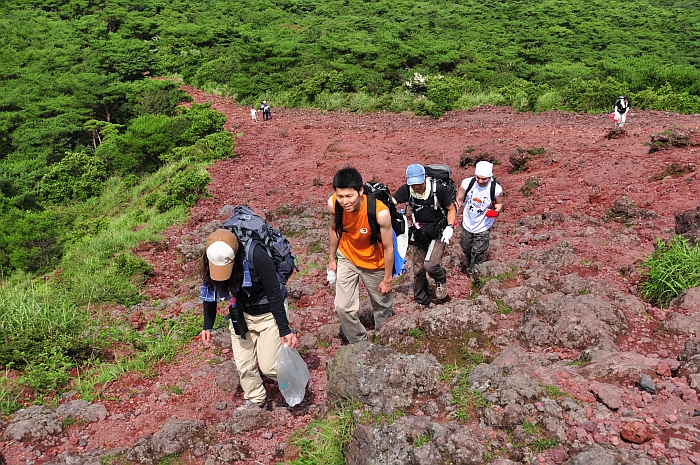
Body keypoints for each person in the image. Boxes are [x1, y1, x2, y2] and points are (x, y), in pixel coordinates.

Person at [200, 228, 297, 409]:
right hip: (241, 313)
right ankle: (255, 398)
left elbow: (274, 293)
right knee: (244, 364)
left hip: (269, 314)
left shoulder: (257, 256)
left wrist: (284, 329)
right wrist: (208, 325)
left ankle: (295, 375)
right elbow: (211, 289)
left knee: (269, 367)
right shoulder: (211, 256)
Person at [327, 167, 394, 343]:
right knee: (342, 308)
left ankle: (384, 340)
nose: (344, 201)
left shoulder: (380, 213)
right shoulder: (333, 204)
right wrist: (331, 258)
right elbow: (334, 229)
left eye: (349, 196)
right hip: (348, 256)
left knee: (382, 306)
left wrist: (387, 278)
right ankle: (359, 343)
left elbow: (388, 247)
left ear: (361, 191)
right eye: (340, 196)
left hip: (375, 261)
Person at [393, 164, 456, 306]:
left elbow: (451, 209)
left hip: (439, 230)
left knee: (431, 265)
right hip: (420, 231)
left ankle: (440, 278)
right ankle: (422, 301)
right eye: (413, 184)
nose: (416, 187)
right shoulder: (407, 190)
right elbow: (392, 203)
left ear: (425, 178)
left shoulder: (437, 189)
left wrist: (450, 227)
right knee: (418, 268)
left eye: (419, 183)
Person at [456, 161, 503, 276]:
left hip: (483, 225)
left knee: (478, 251)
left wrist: (495, 212)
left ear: (489, 177)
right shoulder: (467, 184)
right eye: (478, 178)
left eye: (484, 179)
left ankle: (473, 273)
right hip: (468, 222)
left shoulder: (495, 189)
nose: (480, 181)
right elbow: (459, 200)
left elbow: (499, 204)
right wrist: (453, 215)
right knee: (466, 246)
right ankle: (469, 260)